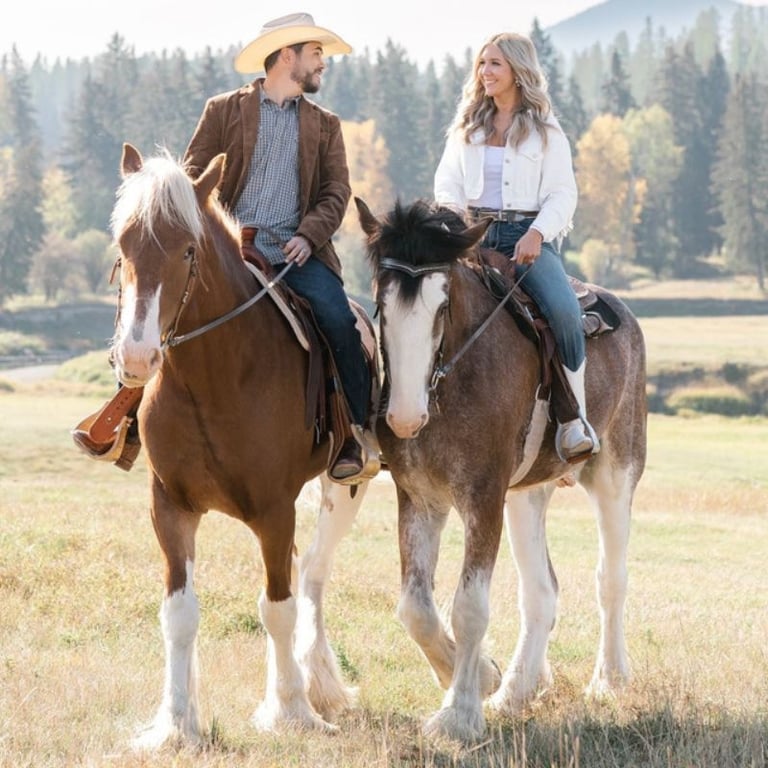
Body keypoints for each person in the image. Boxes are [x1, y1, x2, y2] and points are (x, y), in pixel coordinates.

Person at [181, 12, 376, 483]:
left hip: (295, 255)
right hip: (226, 252)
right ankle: (128, 421)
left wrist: (309, 235)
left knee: (338, 320)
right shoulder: (223, 110)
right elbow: (190, 180)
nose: (322, 64)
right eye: (316, 54)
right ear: (287, 55)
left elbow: (336, 192)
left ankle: (356, 434)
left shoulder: (325, 125)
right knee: (161, 307)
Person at [433, 31, 599, 461]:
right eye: (482, 64)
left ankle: (573, 419)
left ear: (517, 72)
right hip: (472, 234)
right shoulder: (466, 127)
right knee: (420, 302)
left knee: (564, 311)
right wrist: (456, 223)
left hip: (527, 238)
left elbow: (564, 193)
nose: (485, 72)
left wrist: (538, 234)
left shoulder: (545, 130)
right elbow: (447, 182)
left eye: (495, 64)